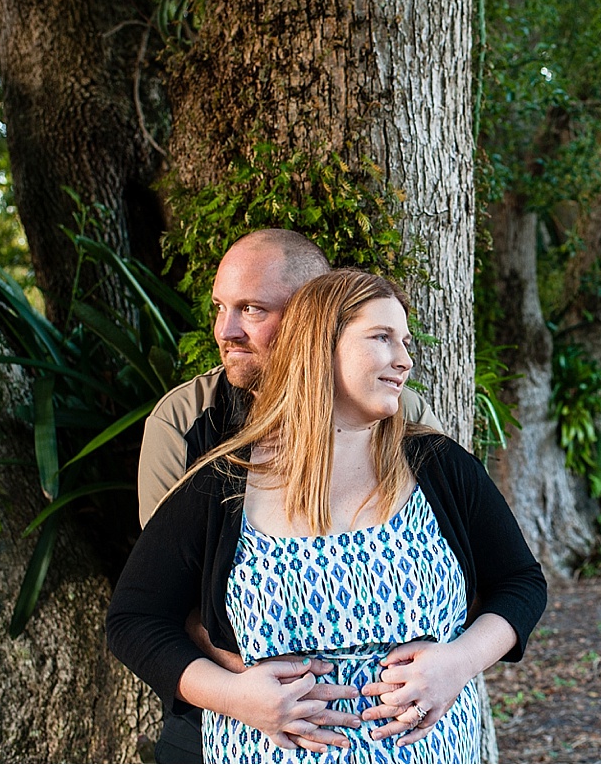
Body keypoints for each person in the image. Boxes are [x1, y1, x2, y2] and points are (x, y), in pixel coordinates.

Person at [109, 269, 547, 763]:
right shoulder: (223, 483)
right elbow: (135, 619)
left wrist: (459, 664)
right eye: (381, 338)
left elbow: (522, 582)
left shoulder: (439, 466)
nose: (403, 361)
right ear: (320, 346)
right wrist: (235, 696)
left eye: (404, 341)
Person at [136, 229, 441, 762]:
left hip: (398, 728)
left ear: (311, 317)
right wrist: (254, 690)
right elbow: (164, 596)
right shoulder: (188, 422)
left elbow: (474, 567)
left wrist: (440, 666)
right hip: (223, 719)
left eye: (252, 309)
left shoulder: (399, 417)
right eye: (220, 308)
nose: (225, 331)